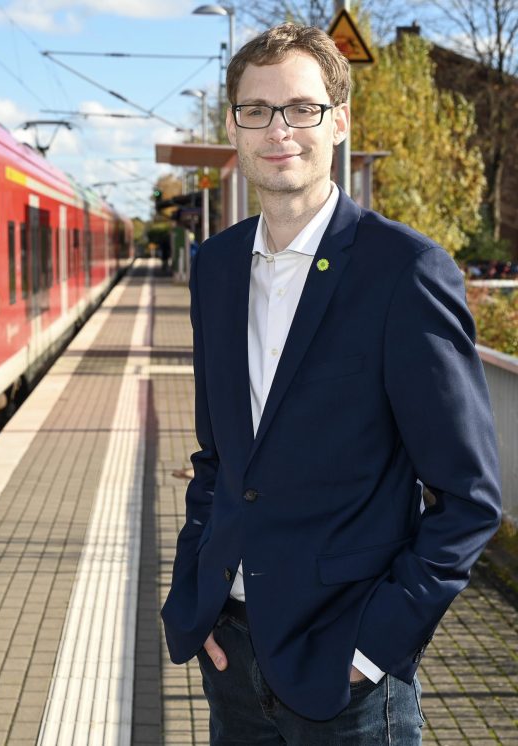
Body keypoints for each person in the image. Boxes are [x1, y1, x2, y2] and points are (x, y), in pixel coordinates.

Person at [161, 23, 501, 745]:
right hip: (231, 656)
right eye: (257, 110)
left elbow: (468, 500)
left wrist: (374, 648)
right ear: (233, 126)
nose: (279, 128)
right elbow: (219, 460)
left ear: (339, 121)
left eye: (301, 108)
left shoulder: (404, 272)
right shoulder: (216, 269)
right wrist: (192, 597)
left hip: (346, 681)